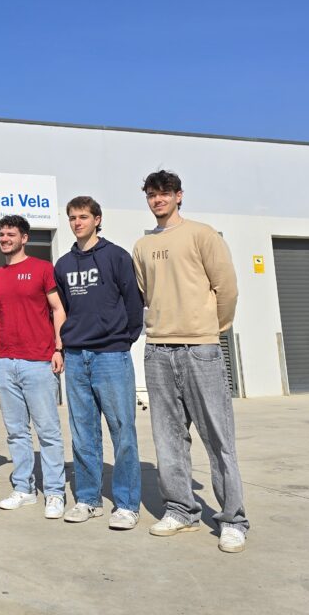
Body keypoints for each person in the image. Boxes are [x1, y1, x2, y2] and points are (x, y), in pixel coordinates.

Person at [132, 170, 248, 553]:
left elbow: (226, 286)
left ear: (179, 196)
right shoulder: (142, 246)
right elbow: (147, 293)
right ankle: (181, 509)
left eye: (164, 193)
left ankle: (233, 519)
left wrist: (213, 328)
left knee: (218, 437)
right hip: (159, 349)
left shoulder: (203, 234)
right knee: (168, 438)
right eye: (151, 194)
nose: (158, 200)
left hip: (201, 348)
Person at [55, 196, 144, 529]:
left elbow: (134, 303)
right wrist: (63, 347)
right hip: (77, 356)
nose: (77, 222)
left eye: (83, 217)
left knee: (122, 431)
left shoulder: (116, 256)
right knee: (83, 433)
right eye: (72, 218)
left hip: (111, 355)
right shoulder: (63, 264)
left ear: (97, 219)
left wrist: (124, 339)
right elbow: (62, 310)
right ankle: (88, 499)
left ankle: (126, 504)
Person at [0, 215, 68, 519]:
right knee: (16, 432)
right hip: (5, 361)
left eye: (10, 234)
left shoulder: (43, 269)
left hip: (38, 360)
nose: (4, 238)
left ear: (24, 238)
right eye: (2, 234)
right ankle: (24, 488)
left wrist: (59, 348)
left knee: (48, 431)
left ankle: (56, 492)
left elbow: (58, 309)